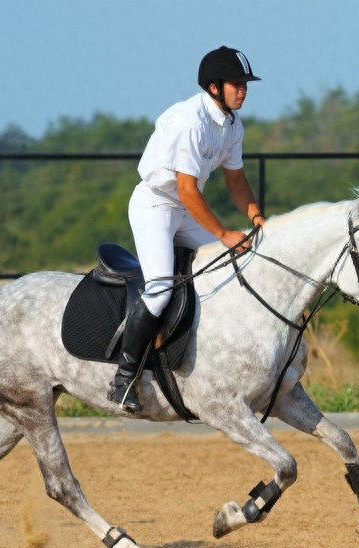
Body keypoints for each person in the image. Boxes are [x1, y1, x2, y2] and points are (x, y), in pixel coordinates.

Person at [110, 46, 268, 412]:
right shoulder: (190, 121)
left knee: (233, 262)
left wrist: (256, 217)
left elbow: (236, 179)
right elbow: (186, 190)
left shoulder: (231, 124)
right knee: (161, 289)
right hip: (156, 208)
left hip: (185, 209)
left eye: (245, 84)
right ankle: (124, 378)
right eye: (236, 84)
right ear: (214, 87)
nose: (243, 90)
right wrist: (226, 234)